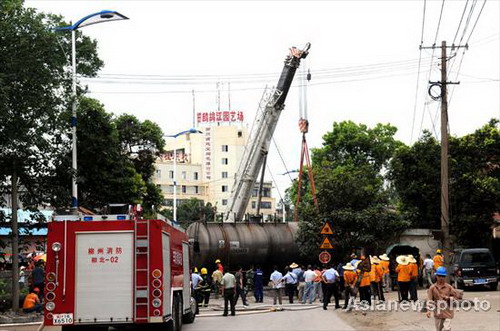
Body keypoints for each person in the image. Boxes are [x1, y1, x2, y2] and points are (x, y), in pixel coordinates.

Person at [426, 267, 463, 331]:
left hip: (447, 312)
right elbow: (430, 300)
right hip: (438, 313)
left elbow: (457, 297)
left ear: (445, 277)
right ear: (436, 276)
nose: (441, 278)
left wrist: (449, 298)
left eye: (442, 276)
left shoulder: (449, 287)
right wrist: (428, 310)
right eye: (439, 276)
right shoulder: (432, 288)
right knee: (438, 329)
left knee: (446, 329)